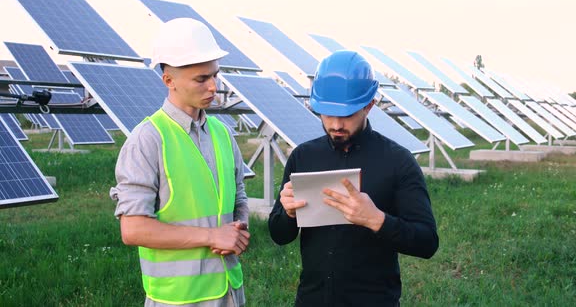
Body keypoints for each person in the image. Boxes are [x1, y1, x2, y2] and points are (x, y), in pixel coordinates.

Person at [268, 50, 438, 306]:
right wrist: (288, 214)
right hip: (312, 299)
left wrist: (377, 220)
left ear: (369, 104)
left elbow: (427, 242)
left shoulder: (397, 161)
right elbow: (279, 235)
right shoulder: (303, 157)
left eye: (346, 115)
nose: (336, 124)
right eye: (326, 113)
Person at [110, 18, 250, 307]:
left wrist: (239, 228)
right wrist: (213, 235)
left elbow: (239, 196)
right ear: (169, 81)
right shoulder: (148, 140)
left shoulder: (223, 134)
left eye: (215, 75)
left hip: (230, 293)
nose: (214, 86)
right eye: (201, 79)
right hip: (179, 300)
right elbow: (133, 229)